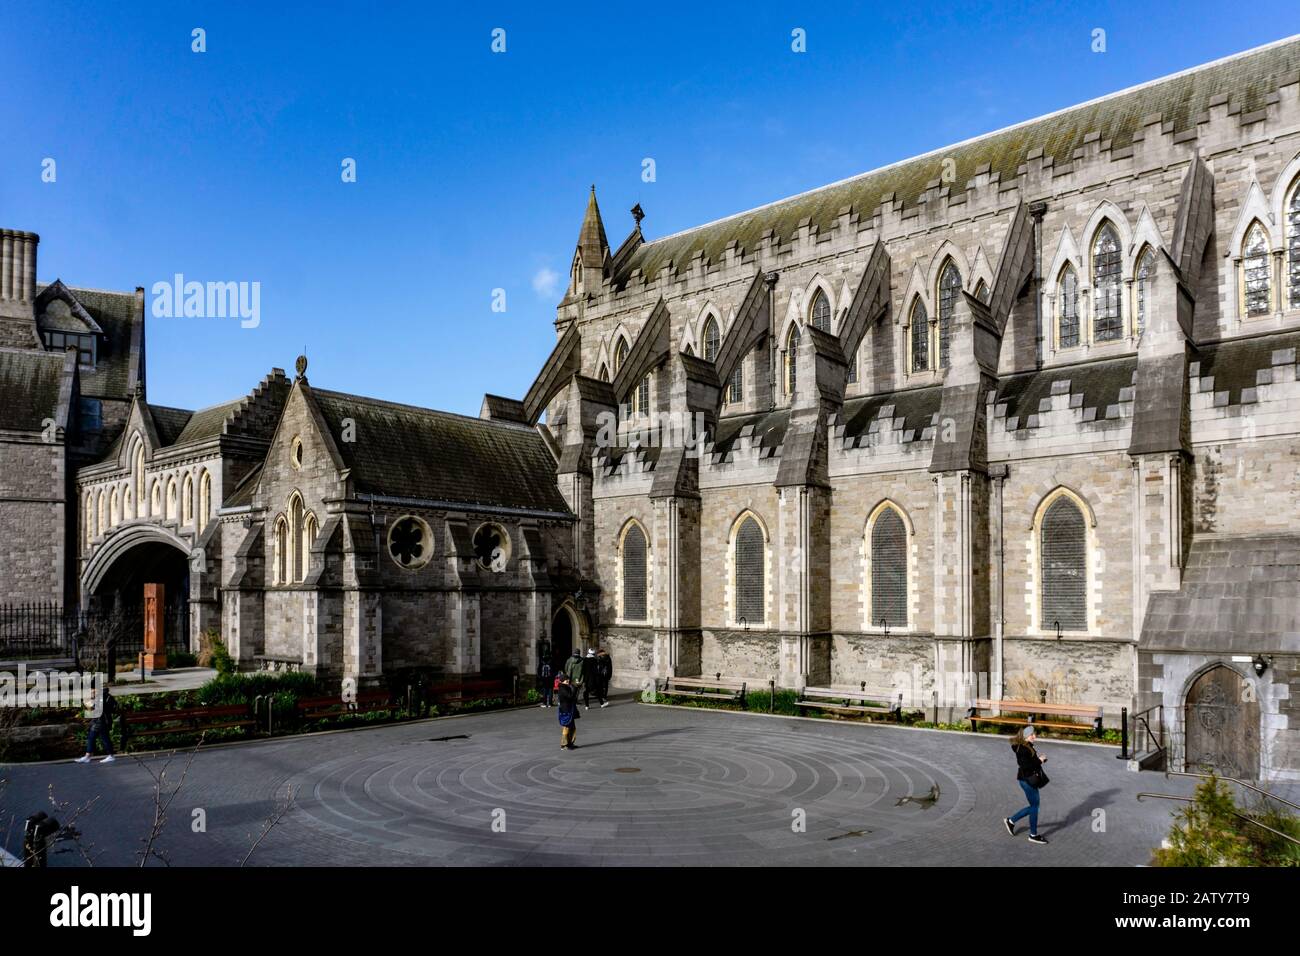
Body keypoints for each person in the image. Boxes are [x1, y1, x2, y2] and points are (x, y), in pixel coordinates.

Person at [1004, 725, 1048, 844]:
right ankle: (1033, 835)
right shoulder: (1023, 749)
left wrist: (1039, 759)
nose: (1034, 736)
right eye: (1032, 735)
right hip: (1027, 780)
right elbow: (1026, 766)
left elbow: (1029, 762)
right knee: (1034, 807)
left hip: (1026, 779)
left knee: (1034, 806)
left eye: (1034, 734)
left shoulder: (1026, 746)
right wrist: (1040, 761)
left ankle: (1011, 821)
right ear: (1026, 736)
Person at [76, 686, 116, 764]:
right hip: (101, 721)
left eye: (92, 691)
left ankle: (110, 756)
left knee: (101, 738)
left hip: (101, 722)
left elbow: (97, 711)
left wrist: (88, 706)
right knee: (94, 738)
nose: (91, 693)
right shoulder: (104, 696)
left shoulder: (100, 698)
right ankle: (88, 756)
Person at [556, 675, 580, 749]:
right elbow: (570, 696)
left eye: (568, 679)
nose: (568, 681)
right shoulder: (563, 688)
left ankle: (570, 743)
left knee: (572, 727)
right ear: (562, 681)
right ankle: (564, 745)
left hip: (569, 709)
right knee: (567, 727)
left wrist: (575, 687)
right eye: (566, 680)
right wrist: (575, 688)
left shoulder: (566, 687)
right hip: (566, 710)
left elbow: (572, 698)